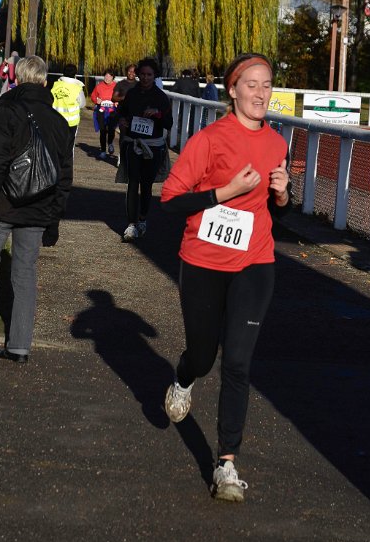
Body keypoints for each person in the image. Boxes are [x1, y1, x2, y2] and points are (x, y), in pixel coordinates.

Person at [161, 53, 290, 502]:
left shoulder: (277, 143)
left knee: (238, 362)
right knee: (203, 356)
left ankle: (226, 464)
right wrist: (225, 192)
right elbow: (170, 200)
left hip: (255, 263)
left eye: (267, 84)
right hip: (203, 262)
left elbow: (276, 210)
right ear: (232, 90)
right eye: (251, 84)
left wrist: (282, 195)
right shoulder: (210, 140)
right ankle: (184, 377)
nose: (260, 93)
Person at [0, 56, 73, 364]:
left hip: (2, 206)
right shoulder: (59, 122)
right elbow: (64, 176)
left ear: (17, 79)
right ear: (45, 82)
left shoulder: (5, 112)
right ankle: (20, 346)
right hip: (38, 209)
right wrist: (54, 219)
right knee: (25, 273)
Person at [116, 57, 172, 242]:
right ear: (138, 75)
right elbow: (122, 112)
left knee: (146, 185)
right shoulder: (132, 94)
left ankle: (142, 219)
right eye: (143, 74)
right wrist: (122, 120)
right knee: (133, 182)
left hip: (153, 147)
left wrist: (157, 114)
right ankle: (131, 224)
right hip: (134, 144)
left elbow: (169, 123)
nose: (146, 78)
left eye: (149, 75)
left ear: (155, 76)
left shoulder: (161, 97)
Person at [51, 63, 86, 144]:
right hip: (71, 122)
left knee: (57, 143)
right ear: (75, 74)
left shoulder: (56, 85)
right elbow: (82, 104)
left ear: (63, 73)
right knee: (69, 145)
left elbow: (51, 99)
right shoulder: (77, 88)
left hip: (56, 119)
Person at [90, 69, 118, 159]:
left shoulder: (116, 86)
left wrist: (117, 102)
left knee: (111, 129)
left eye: (110, 76)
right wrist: (96, 100)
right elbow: (93, 96)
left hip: (112, 111)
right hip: (101, 110)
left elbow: (121, 97)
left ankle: (110, 143)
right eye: (106, 75)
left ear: (113, 77)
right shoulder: (99, 86)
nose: (107, 78)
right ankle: (103, 151)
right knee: (102, 130)